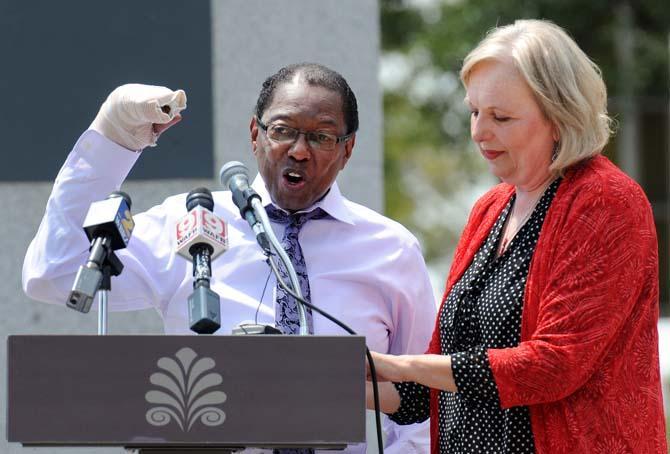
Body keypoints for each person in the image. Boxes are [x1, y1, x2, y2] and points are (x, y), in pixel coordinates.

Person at [22, 63, 436, 453]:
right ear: (255, 134)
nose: (299, 151)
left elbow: (425, 399)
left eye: (322, 137)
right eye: (282, 130)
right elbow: (53, 272)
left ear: (348, 150)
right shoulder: (190, 220)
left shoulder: (391, 250)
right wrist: (110, 141)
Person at [365, 19, 667, 454]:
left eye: (501, 117)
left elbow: (553, 365)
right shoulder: (489, 209)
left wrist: (404, 365)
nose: (478, 132)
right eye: (474, 112)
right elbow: (429, 386)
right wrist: (324, 381)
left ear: (561, 117)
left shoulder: (607, 200)